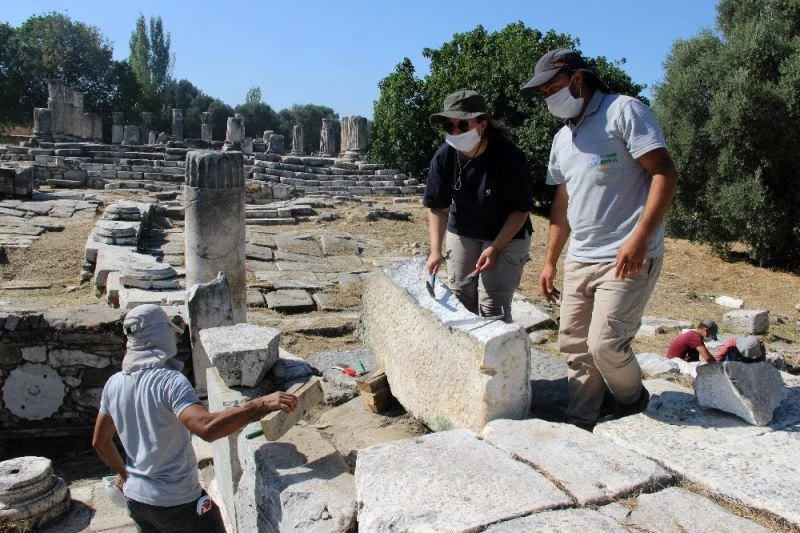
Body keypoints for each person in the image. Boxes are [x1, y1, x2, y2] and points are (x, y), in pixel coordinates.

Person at [520, 48, 679, 430]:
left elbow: (664, 173)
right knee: (574, 347)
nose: (546, 98)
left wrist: (640, 238)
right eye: (541, 93)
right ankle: (582, 421)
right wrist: (550, 260)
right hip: (581, 257)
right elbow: (563, 202)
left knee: (605, 345)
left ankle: (632, 402)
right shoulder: (562, 139)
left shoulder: (624, 111)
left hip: (627, 254)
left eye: (550, 87)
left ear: (577, 78)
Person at [92, 304, 298, 533]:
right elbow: (206, 428)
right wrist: (258, 404)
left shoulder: (114, 384)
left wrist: (125, 473)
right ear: (161, 336)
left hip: (137, 500)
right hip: (177, 501)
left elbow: (100, 442)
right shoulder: (170, 382)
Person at [424, 89, 534, 322]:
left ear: (482, 124)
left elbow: (521, 209)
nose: (455, 132)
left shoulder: (509, 157)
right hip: (464, 228)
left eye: (463, 125)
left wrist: (495, 248)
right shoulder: (445, 156)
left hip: (507, 232)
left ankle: (499, 356)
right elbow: (437, 207)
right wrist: (435, 250)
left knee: (492, 307)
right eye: (448, 126)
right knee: (460, 299)